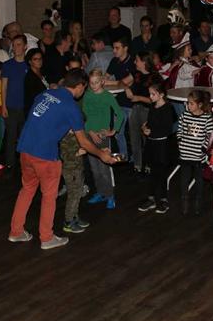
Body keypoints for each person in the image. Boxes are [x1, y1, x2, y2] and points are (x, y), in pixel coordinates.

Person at [8, 69, 116, 250]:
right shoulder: (72, 107)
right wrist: (101, 154)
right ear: (79, 86)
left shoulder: (45, 94)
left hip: (25, 149)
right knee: (49, 197)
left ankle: (16, 231)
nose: (84, 91)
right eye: (84, 87)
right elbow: (83, 141)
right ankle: (47, 238)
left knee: (26, 190)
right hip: (45, 155)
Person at [83, 69, 125, 209]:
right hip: (90, 135)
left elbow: (120, 114)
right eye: (91, 83)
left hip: (102, 136)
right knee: (94, 168)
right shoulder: (87, 95)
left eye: (96, 82)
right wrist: (90, 132)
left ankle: (110, 195)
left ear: (102, 82)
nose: (94, 85)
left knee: (104, 168)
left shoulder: (107, 96)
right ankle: (101, 192)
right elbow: (85, 115)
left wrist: (113, 131)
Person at [138, 81, 177, 214]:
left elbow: (167, 129)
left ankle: (163, 199)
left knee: (161, 173)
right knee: (152, 172)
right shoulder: (153, 106)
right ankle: (151, 198)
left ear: (161, 95)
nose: (150, 97)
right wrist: (145, 128)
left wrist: (151, 132)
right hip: (152, 143)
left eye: (153, 94)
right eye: (150, 94)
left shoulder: (168, 108)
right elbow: (150, 123)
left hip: (162, 145)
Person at [175, 89, 213, 216]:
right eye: (188, 103)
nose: (188, 105)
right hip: (185, 154)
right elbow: (179, 129)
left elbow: (210, 136)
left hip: (198, 157)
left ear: (200, 104)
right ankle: (184, 201)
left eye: (191, 103)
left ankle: (198, 202)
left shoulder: (207, 118)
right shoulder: (185, 115)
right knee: (184, 180)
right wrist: (180, 141)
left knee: (199, 181)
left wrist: (203, 148)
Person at [124, 52, 158, 174]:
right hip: (135, 108)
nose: (134, 62)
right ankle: (137, 164)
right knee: (134, 137)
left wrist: (138, 98)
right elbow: (122, 82)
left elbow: (155, 100)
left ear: (144, 62)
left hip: (148, 110)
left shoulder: (155, 77)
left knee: (147, 138)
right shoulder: (136, 73)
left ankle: (149, 164)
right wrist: (127, 88)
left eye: (137, 60)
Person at [1, 35, 29, 169]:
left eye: (19, 44)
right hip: (11, 106)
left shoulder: (29, 65)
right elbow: (3, 87)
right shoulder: (7, 65)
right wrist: (3, 106)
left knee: (25, 136)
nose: (16, 48)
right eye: (14, 45)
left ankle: (25, 162)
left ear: (25, 46)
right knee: (11, 136)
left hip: (26, 107)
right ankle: (10, 163)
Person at [105, 37, 135, 160]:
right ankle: (124, 157)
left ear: (125, 48)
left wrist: (112, 82)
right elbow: (105, 77)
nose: (114, 51)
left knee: (133, 133)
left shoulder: (133, 62)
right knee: (118, 132)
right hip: (119, 101)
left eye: (117, 48)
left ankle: (135, 159)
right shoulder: (114, 61)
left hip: (132, 102)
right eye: (113, 48)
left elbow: (128, 80)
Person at [59, 125, 89, 234]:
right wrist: (77, 153)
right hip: (70, 171)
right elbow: (64, 156)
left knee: (77, 195)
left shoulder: (78, 134)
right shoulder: (63, 137)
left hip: (78, 169)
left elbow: (88, 143)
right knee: (73, 196)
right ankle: (68, 222)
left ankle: (74, 217)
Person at [23, 48, 49, 117]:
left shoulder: (42, 72)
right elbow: (34, 98)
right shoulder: (30, 77)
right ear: (30, 61)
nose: (39, 61)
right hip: (34, 112)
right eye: (35, 59)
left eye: (40, 58)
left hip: (43, 109)